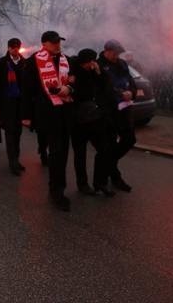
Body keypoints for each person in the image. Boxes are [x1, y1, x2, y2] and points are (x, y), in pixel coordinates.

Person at [21, 31, 75, 211]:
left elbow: (74, 80)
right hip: (47, 113)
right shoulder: (32, 61)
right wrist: (27, 116)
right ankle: (56, 191)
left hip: (65, 112)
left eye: (59, 42)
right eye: (54, 43)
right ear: (44, 44)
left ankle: (59, 187)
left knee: (64, 151)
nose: (58, 45)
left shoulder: (66, 60)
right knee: (56, 152)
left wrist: (69, 88)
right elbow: (27, 91)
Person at [70, 49, 116, 197]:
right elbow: (75, 93)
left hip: (95, 117)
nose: (94, 63)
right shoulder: (74, 73)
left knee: (104, 149)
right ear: (86, 62)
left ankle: (100, 182)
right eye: (92, 61)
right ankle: (82, 184)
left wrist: (98, 73)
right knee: (80, 153)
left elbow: (106, 86)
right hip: (78, 119)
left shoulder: (94, 71)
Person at [98, 39, 137, 193]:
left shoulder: (122, 64)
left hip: (125, 110)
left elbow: (131, 83)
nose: (117, 55)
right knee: (110, 145)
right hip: (109, 111)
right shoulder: (99, 65)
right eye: (115, 53)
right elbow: (103, 88)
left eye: (119, 53)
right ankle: (114, 177)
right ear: (107, 50)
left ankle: (107, 167)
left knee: (129, 139)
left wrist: (131, 93)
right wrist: (120, 94)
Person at [0, 38, 27, 176]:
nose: (15, 49)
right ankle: (12, 162)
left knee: (18, 133)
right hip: (7, 103)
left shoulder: (24, 62)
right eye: (12, 47)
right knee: (10, 133)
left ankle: (16, 159)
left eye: (17, 47)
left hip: (20, 103)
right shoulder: (1, 63)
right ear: (8, 48)